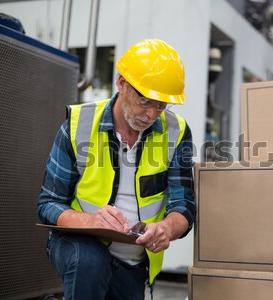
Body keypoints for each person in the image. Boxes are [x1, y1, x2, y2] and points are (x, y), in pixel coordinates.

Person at [38, 39, 196, 300]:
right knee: (90, 261)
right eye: (145, 101)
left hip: (133, 263)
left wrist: (166, 228)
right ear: (121, 83)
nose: (151, 114)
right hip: (78, 246)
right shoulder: (79, 125)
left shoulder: (176, 133)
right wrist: (91, 221)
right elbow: (48, 203)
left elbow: (184, 206)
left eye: (161, 105)